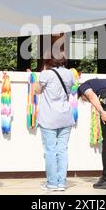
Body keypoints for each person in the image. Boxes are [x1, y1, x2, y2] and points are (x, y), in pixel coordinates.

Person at [33, 54, 74, 191]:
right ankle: (61, 183)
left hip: (49, 118)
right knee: (62, 150)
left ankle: (52, 183)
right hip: (65, 116)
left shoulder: (46, 73)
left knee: (50, 151)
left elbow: (37, 91)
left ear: (49, 61)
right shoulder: (69, 74)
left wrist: (42, 72)